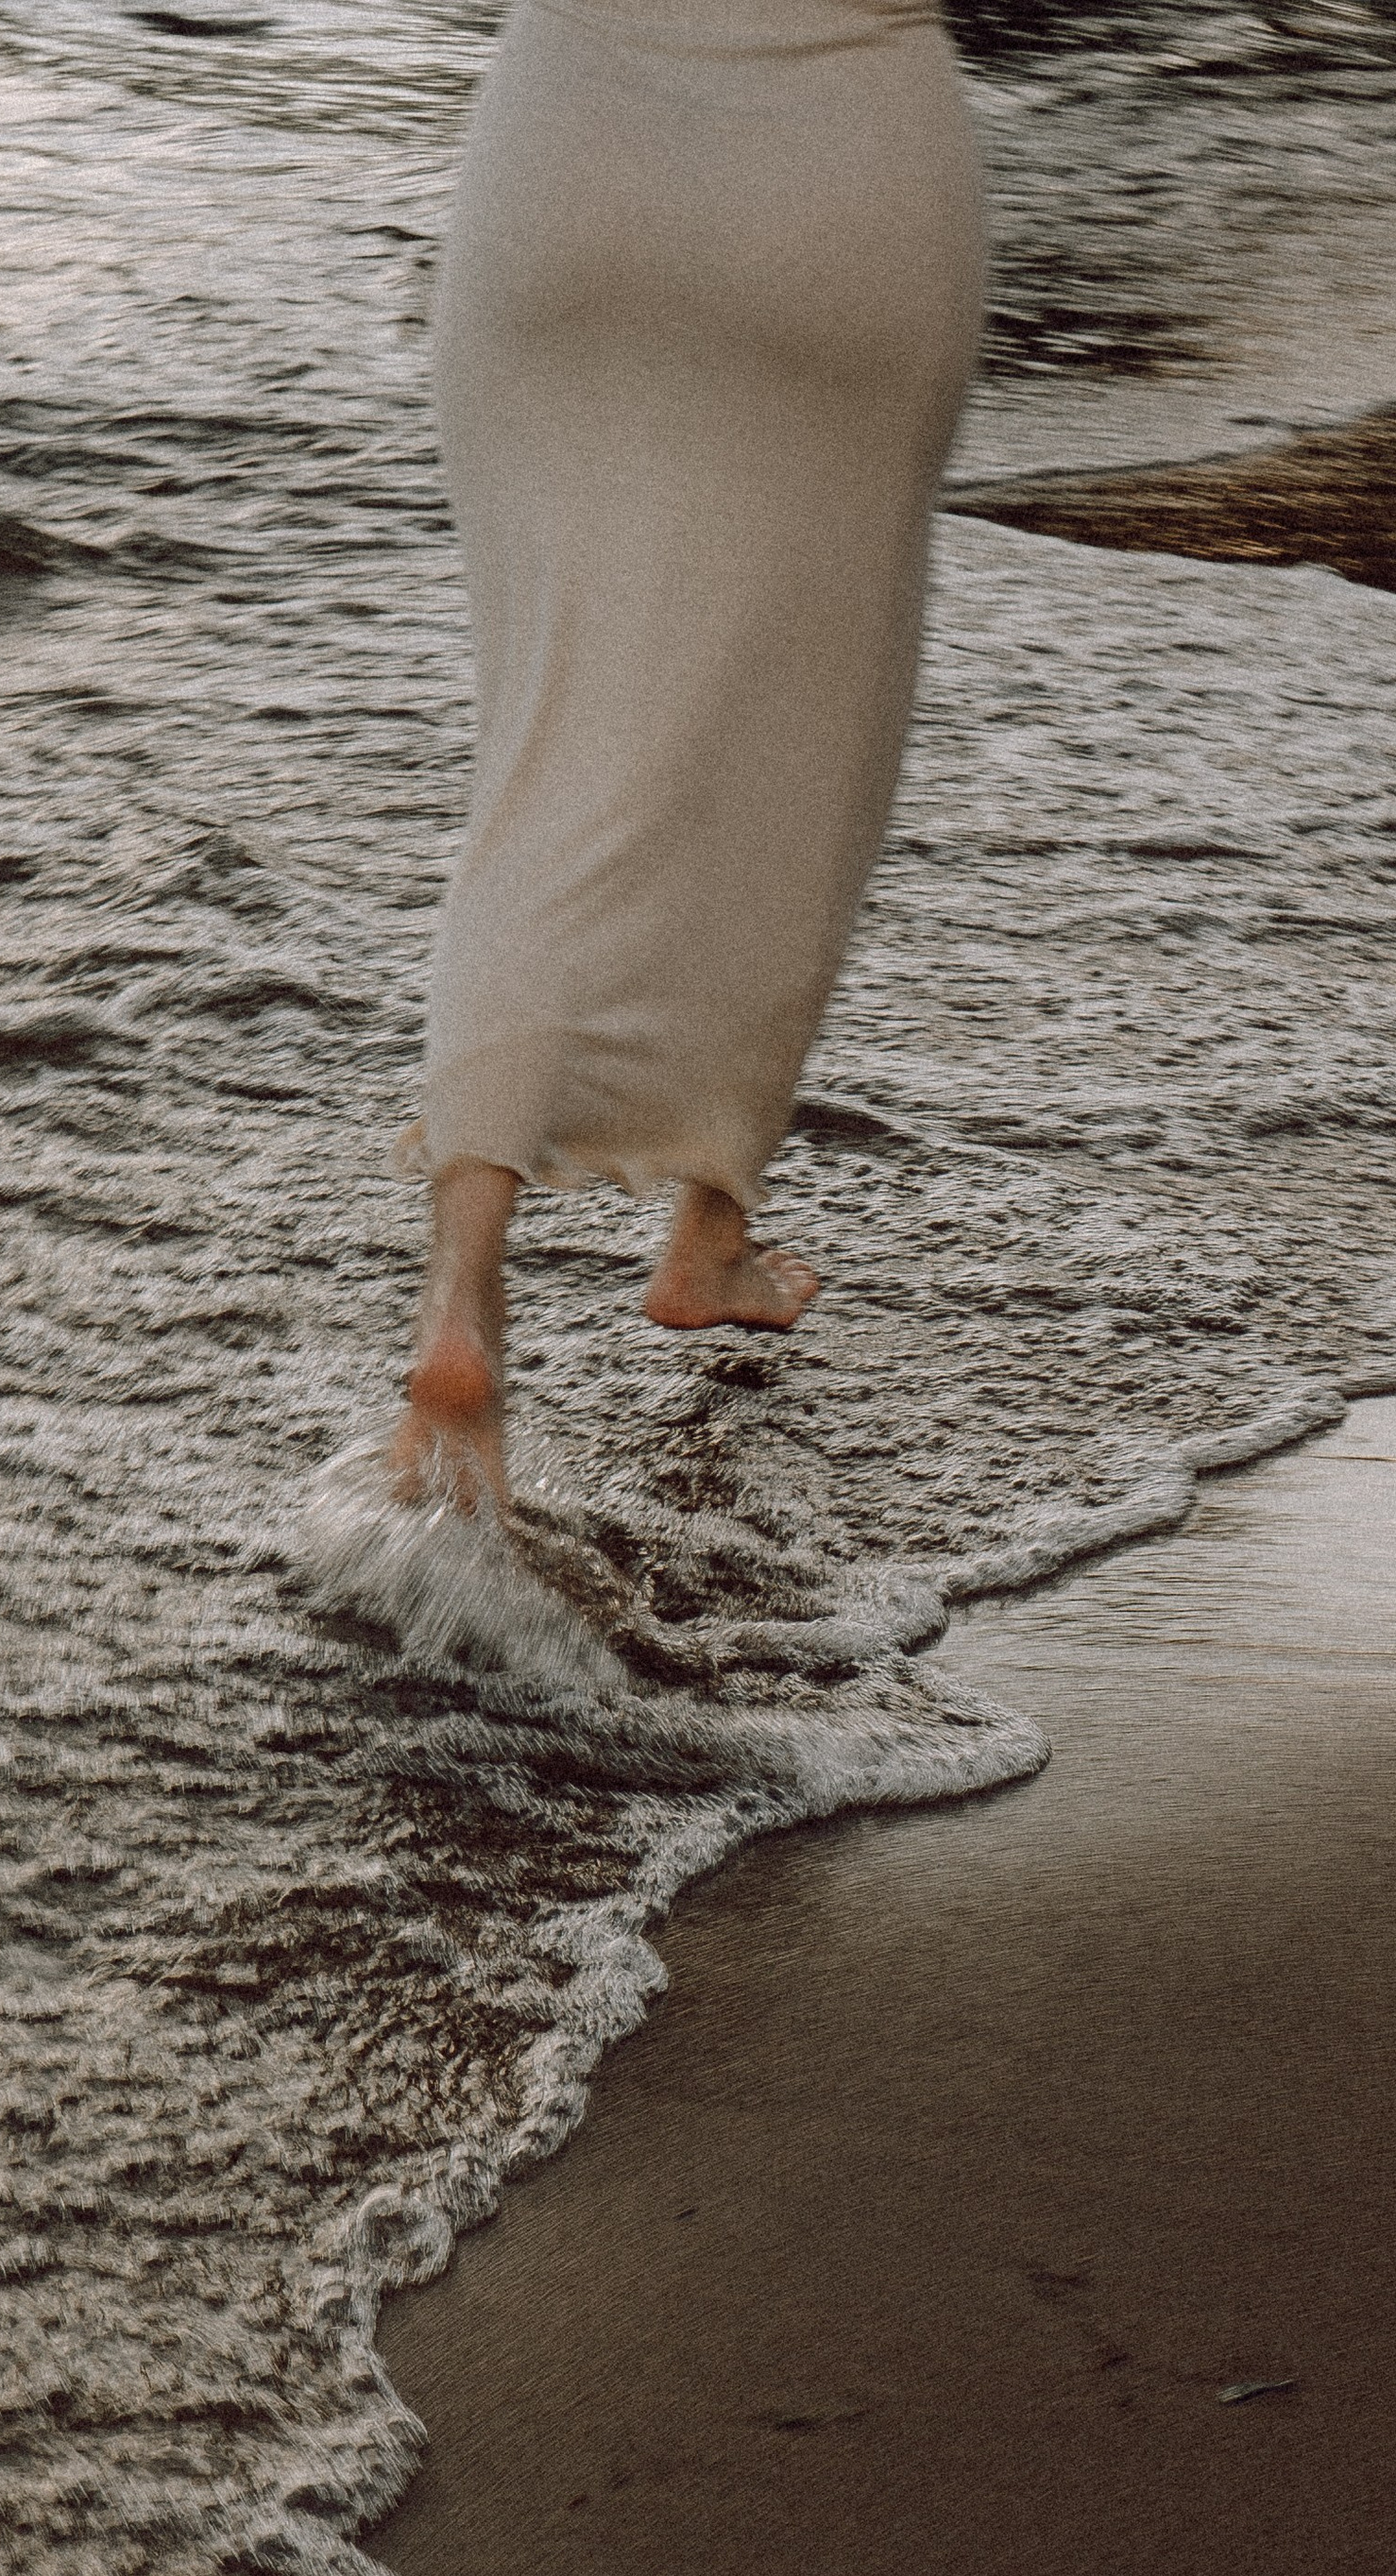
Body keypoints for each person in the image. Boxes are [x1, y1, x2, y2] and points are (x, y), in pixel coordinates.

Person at [389, 0, 987, 1516]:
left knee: (546, 743)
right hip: (848, 176)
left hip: (572, 160)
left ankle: (464, 1291)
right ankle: (709, 1237)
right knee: (813, 709)